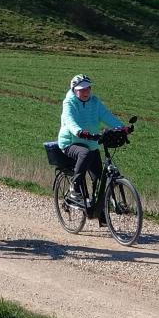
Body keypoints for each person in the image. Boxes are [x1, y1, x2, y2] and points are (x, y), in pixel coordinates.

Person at [57, 74, 127, 213]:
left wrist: (121, 127)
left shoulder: (94, 102)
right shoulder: (69, 103)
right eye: (82, 90)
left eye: (88, 88)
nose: (86, 92)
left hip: (91, 142)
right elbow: (69, 120)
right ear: (74, 90)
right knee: (85, 153)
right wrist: (79, 131)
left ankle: (99, 210)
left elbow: (106, 115)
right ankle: (75, 188)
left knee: (99, 178)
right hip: (71, 142)